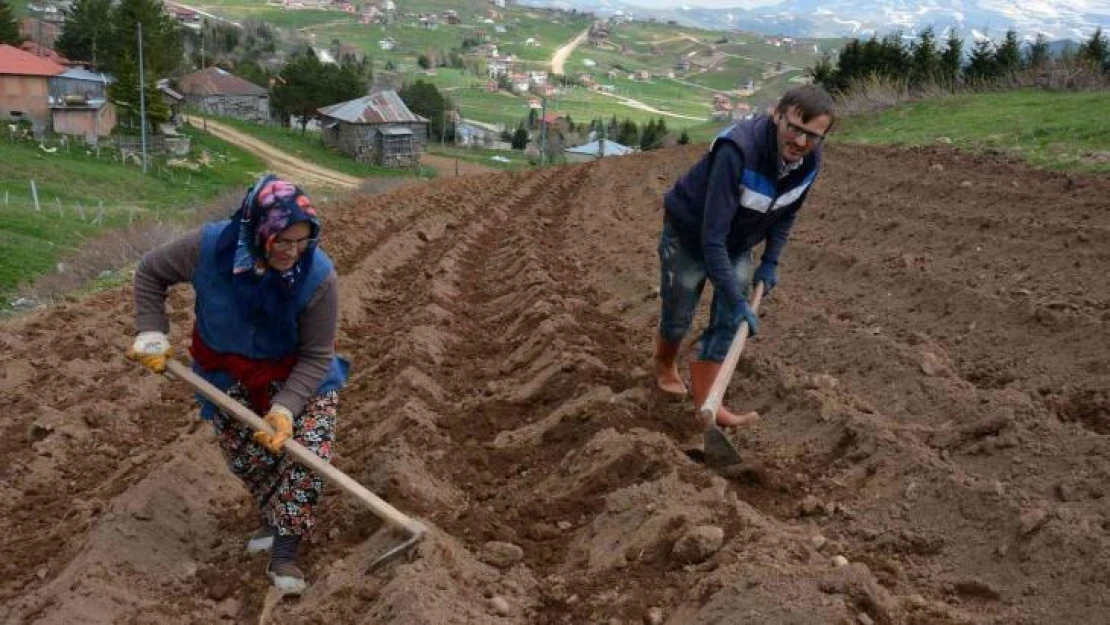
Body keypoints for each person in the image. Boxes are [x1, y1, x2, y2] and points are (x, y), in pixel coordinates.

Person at [127, 174, 348, 595]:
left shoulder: (317, 275)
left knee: (306, 455)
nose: (292, 252)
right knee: (248, 458)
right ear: (260, 229)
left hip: (298, 374)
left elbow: (317, 356)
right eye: (283, 241)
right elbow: (149, 273)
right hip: (225, 369)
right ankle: (272, 516)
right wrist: (152, 332)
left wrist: (285, 408)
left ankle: (285, 550)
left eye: (302, 241)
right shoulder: (207, 250)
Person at [654, 84, 834, 425]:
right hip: (691, 232)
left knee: (728, 320)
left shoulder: (810, 161)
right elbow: (712, 237)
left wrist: (770, 262)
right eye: (793, 128)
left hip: (737, 241)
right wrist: (738, 300)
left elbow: (787, 211)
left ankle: (709, 404)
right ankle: (664, 364)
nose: (800, 142)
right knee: (679, 307)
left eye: (812, 135)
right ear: (776, 116)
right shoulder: (737, 150)